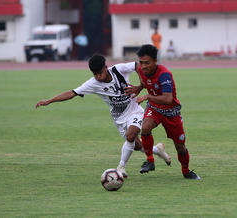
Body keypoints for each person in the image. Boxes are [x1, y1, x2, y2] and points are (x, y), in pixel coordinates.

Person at [35, 54, 171, 178]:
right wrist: (49, 101)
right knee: (135, 145)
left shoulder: (118, 70)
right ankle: (157, 150)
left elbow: (137, 65)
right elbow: (72, 93)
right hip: (118, 117)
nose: (98, 77)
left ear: (106, 68)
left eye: (100, 73)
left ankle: (121, 168)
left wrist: (141, 85)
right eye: (95, 74)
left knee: (131, 135)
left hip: (134, 109)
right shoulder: (93, 83)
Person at [124, 44, 200, 180]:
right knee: (145, 127)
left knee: (180, 146)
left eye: (147, 63)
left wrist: (147, 96)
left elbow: (168, 99)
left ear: (155, 61)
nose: (143, 66)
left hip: (171, 112)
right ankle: (150, 161)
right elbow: (146, 82)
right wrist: (139, 87)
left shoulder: (164, 74)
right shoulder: (142, 71)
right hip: (154, 108)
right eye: (141, 63)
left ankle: (186, 170)